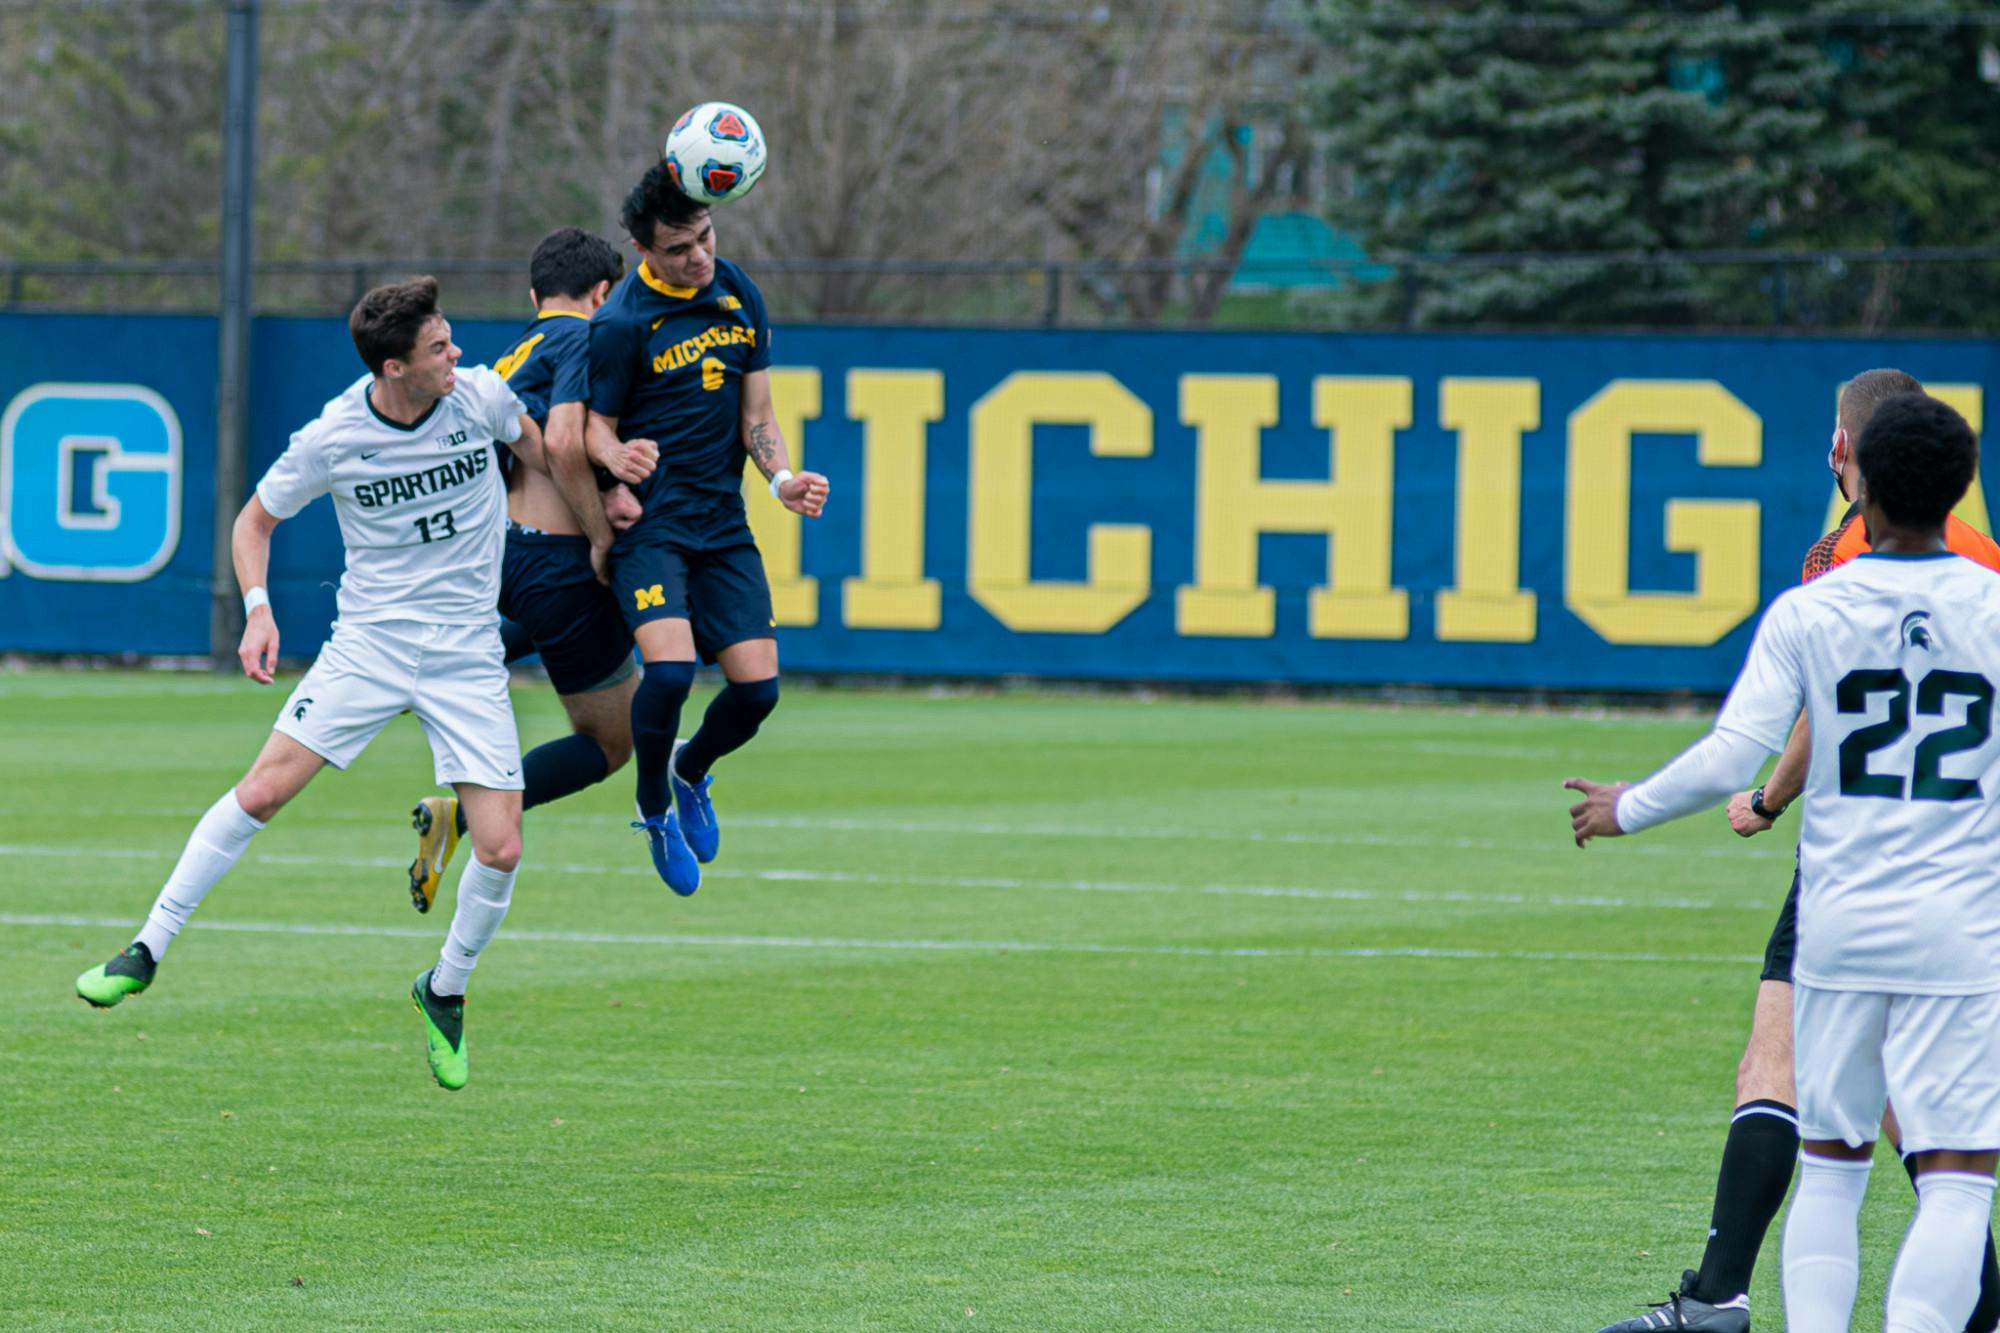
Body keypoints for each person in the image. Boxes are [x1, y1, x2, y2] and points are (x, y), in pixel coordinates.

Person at [1569, 392, 2000, 1333]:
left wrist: (1624, 808)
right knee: (1961, 1182)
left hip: (1841, 919)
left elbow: (1733, 753)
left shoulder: (1813, 605)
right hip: (1963, 923)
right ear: (1961, 489)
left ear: (1863, 484)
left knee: (1834, 1170)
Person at [74, 277, 542, 1093]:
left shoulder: (483, 399)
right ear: (396, 368)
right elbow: (253, 522)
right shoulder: (333, 436)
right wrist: (258, 610)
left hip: (468, 651)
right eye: (439, 349)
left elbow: (548, 453)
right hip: (370, 645)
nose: (456, 355)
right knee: (260, 793)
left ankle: (445, 989)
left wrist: (605, 512)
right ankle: (145, 946)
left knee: (501, 845)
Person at [584, 162, 829, 896]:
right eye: (680, 249)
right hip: (651, 527)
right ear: (642, 251)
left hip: (723, 524)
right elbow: (591, 427)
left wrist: (782, 479)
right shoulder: (622, 322)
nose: (700, 257)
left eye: (706, 237)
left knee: (758, 693)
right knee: (669, 671)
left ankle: (690, 769)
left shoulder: (737, 292)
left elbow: (758, 414)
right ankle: (654, 806)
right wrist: (614, 456)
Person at [404, 228, 655, 913]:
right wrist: (600, 530)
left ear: (534, 294)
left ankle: (424, 663)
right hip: (557, 564)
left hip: (504, 554)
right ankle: (462, 811)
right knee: (610, 740)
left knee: (518, 635)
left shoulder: (518, 352)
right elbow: (566, 446)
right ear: (604, 294)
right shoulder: (583, 340)